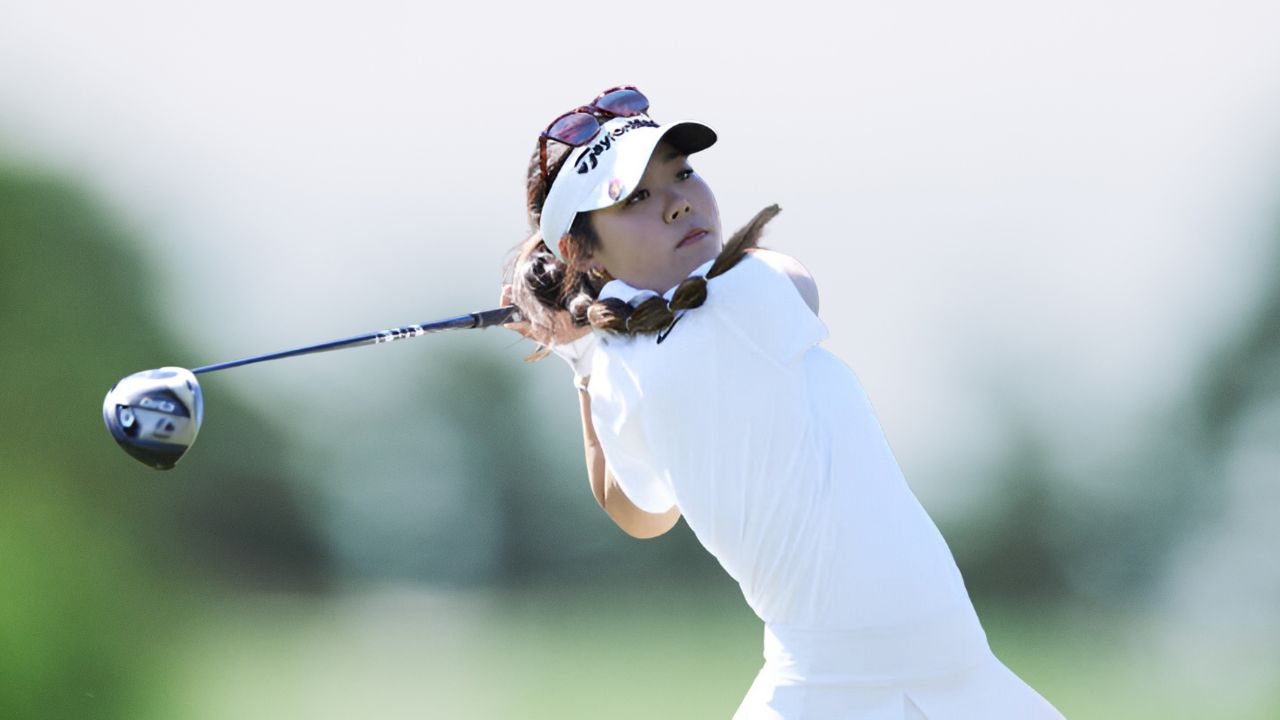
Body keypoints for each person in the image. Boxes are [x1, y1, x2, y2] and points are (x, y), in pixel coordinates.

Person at [500, 86, 1064, 719]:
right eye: (635, 197)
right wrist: (592, 334)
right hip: (841, 690)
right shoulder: (735, 302)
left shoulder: (630, 362)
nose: (678, 203)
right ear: (580, 250)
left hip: (936, 679)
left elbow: (640, 513)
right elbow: (796, 280)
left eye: (681, 174)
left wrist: (580, 354)